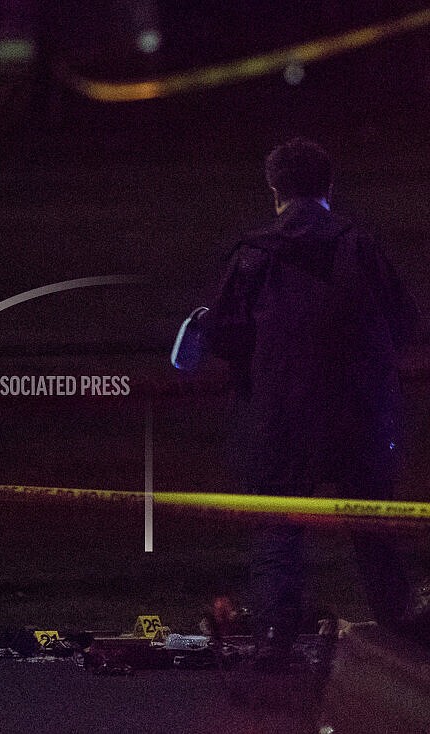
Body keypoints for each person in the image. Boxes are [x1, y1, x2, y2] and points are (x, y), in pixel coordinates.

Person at [195, 137, 423, 666]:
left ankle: (275, 644)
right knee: (373, 530)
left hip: (278, 418)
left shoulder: (253, 254)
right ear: (329, 186)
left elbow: (226, 338)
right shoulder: (358, 246)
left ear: (273, 189)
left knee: (279, 531)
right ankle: (404, 644)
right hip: (359, 416)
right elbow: (405, 322)